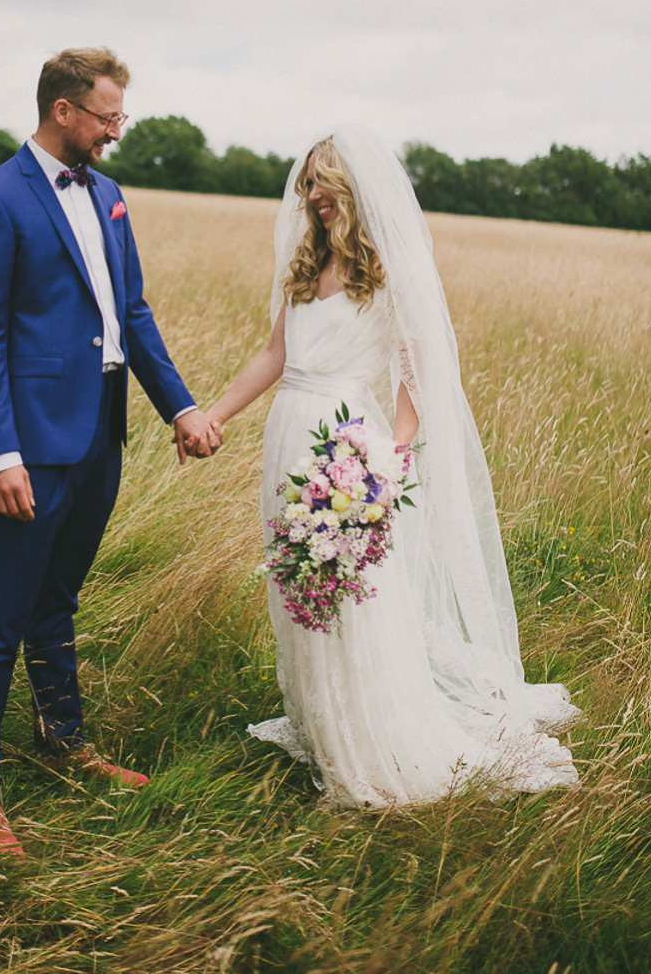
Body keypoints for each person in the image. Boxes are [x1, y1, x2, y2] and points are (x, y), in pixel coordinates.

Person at [204, 126, 580, 807]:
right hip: (287, 441)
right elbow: (272, 355)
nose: (313, 194)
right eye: (308, 182)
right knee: (304, 593)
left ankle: (371, 745)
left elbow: (420, 369)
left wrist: (389, 455)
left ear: (354, 184)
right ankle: (325, 725)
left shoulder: (393, 269)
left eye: (324, 180)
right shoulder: (302, 267)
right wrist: (216, 414)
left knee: (353, 600)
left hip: (347, 448)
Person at [0, 47, 219, 854]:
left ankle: (62, 740)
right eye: (107, 118)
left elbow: (131, 313)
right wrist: (0, 455)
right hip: (33, 445)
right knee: (4, 611)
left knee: (58, 599)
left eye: (119, 118)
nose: (114, 132)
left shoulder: (109, 195)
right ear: (63, 110)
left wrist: (180, 403)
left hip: (103, 433)